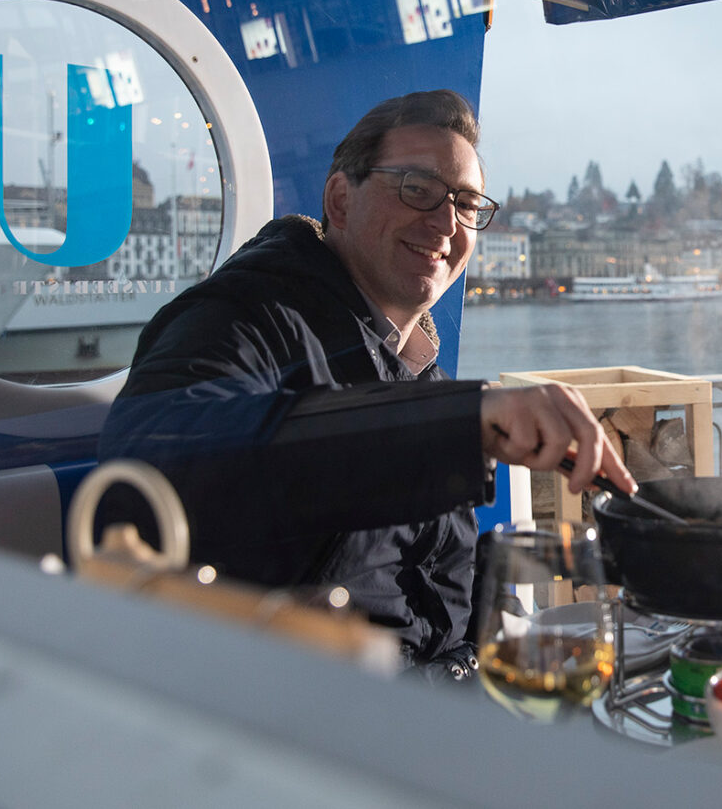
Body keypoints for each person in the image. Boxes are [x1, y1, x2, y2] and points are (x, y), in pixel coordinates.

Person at [98, 89, 633, 683]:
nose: (445, 223)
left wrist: (543, 573)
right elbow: (151, 460)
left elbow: (417, 574)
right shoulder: (243, 313)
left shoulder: (419, 367)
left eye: (466, 203)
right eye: (418, 190)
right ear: (340, 200)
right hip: (304, 711)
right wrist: (457, 422)